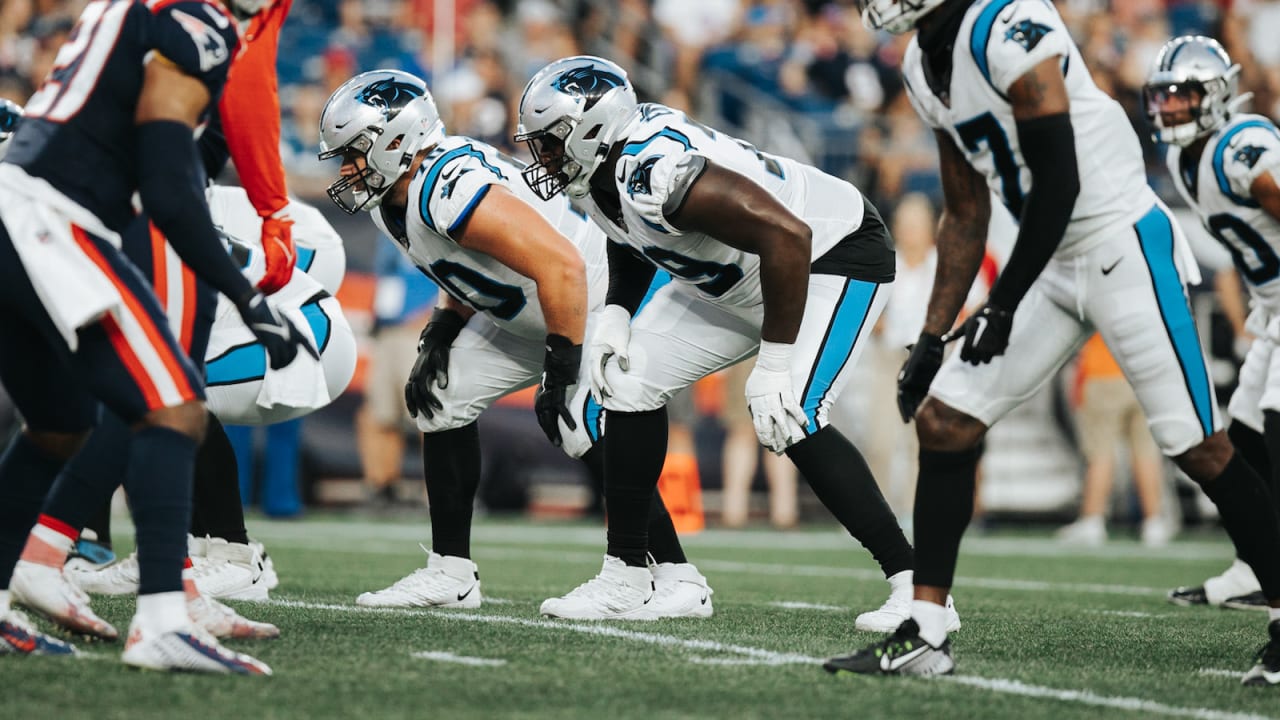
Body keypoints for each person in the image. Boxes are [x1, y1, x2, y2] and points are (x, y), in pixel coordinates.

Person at [825, 0, 1280, 686]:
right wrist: (930, 334)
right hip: (1054, 257)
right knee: (946, 423)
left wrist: (1002, 303)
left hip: (1119, 242)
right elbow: (967, 209)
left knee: (1200, 444)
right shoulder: (921, 65)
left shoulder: (1011, 23)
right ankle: (926, 631)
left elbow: (1061, 181)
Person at [516, 56, 958, 631]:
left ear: (593, 129)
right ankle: (640, 576)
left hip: (829, 256)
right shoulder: (604, 171)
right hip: (734, 275)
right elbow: (624, 232)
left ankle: (919, 589)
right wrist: (618, 314)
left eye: (550, 142)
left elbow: (787, 236)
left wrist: (774, 362)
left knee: (790, 411)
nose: (542, 156)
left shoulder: (656, 168)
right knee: (623, 382)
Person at [318, 69, 712, 618]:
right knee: (444, 394)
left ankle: (674, 576)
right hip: (531, 310)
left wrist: (560, 366)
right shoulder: (396, 193)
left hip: (586, 300)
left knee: (578, 424)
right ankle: (450, 573)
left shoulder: (447, 185)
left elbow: (562, 266)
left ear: (395, 142)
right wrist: (443, 329)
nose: (346, 169)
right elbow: (464, 267)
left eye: (354, 152)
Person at [0, 0, 313, 672]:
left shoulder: (132, 9)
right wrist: (245, 297)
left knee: (60, 423)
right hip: (55, 224)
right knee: (173, 403)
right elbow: (170, 188)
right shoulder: (198, 25)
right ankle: (163, 622)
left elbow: (146, 144)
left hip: (18, 206)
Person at [1150, 37, 1280, 623]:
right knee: (1243, 439)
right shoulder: (1184, 159)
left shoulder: (1243, 147)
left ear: (1219, 94)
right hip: (1271, 311)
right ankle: (1257, 566)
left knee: (1274, 428)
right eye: (1164, 96)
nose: (1171, 107)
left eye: (1185, 94)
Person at [1056, 334, 1171, 547]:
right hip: (1143, 375)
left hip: (1103, 371)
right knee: (1145, 453)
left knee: (1100, 452)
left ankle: (1093, 519)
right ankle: (1153, 522)